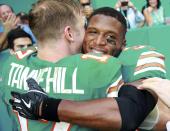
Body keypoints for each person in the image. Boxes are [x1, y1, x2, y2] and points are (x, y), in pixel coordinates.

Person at [0, 1, 157, 131]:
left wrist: (45, 106)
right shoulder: (102, 66)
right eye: (87, 29)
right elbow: (134, 113)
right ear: (69, 33)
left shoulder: (12, 63)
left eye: (110, 38)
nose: (98, 42)